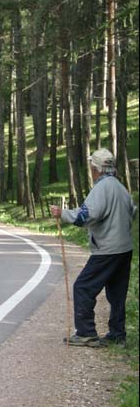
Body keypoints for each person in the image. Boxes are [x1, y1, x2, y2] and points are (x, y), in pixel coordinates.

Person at [50, 148, 138, 347]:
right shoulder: (120, 187)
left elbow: (86, 215)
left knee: (82, 287)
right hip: (124, 248)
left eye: (91, 167)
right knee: (117, 293)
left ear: (96, 169)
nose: (91, 171)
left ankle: (86, 332)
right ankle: (117, 335)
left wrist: (63, 214)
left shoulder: (102, 188)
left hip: (107, 249)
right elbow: (133, 212)